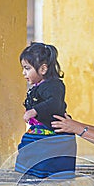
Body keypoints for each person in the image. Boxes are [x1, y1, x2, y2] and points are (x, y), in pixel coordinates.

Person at [15, 42, 76, 178]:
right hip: (41, 132)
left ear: (43, 69)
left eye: (27, 68)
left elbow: (54, 103)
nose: (23, 73)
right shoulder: (39, 86)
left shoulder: (54, 85)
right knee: (28, 154)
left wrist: (34, 111)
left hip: (52, 134)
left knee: (46, 163)